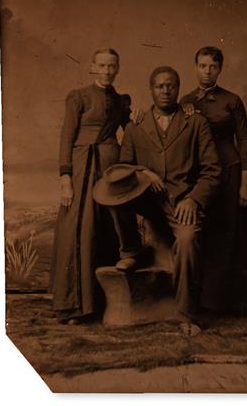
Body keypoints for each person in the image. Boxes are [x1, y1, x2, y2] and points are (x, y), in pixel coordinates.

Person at [94, 66, 222, 331]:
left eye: (171, 85)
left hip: (181, 201)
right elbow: (123, 167)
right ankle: (131, 250)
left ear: (178, 89)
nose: (165, 90)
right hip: (146, 198)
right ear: (151, 89)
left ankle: (186, 315)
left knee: (187, 240)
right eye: (159, 86)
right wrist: (144, 172)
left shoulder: (195, 123)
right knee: (112, 192)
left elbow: (213, 170)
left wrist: (194, 200)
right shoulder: (135, 126)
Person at [49, 47, 142, 324]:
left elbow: (134, 132)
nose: (106, 71)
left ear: (117, 68)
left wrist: (137, 119)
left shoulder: (121, 101)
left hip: (109, 169)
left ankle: (101, 304)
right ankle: (75, 306)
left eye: (112, 66)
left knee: (107, 227)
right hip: (81, 168)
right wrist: (65, 177)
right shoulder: (78, 97)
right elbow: (67, 137)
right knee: (79, 227)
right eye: (101, 65)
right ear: (92, 67)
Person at [180, 46, 247, 315]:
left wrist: (246, 182)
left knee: (231, 233)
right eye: (202, 65)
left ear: (220, 69)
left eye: (212, 66)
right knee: (206, 234)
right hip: (201, 176)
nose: (207, 71)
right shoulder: (186, 101)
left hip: (230, 171)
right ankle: (205, 302)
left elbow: (244, 141)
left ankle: (235, 303)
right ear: (195, 67)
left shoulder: (232, 100)